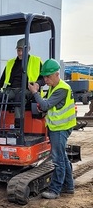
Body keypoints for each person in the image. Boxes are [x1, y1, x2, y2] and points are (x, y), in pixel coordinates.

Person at [28, 59, 77, 199]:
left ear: (57, 74)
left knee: (58, 160)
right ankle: (69, 186)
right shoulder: (53, 87)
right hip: (57, 126)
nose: (46, 79)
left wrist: (35, 93)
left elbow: (45, 105)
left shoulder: (62, 88)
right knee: (63, 157)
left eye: (48, 77)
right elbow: (48, 106)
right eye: (44, 77)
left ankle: (55, 190)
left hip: (61, 128)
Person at [0, 38, 43, 128]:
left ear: (28, 49)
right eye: (18, 50)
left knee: (19, 97)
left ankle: (18, 127)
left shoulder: (36, 61)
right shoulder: (10, 63)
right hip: (12, 90)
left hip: (28, 90)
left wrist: (38, 84)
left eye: (22, 50)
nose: (20, 53)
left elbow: (44, 78)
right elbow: (2, 81)